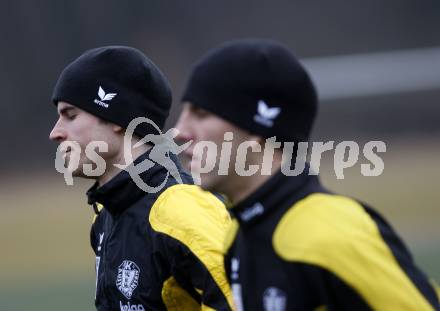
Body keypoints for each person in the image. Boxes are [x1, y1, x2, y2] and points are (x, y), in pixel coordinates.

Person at [175, 39, 440, 310]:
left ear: (256, 129)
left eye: (202, 113)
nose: (180, 130)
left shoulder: (330, 232)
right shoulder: (238, 236)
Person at [49, 46, 234, 311]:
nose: (55, 133)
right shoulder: (105, 214)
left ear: (117, 118)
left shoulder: (182, 210)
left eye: (70, 115)